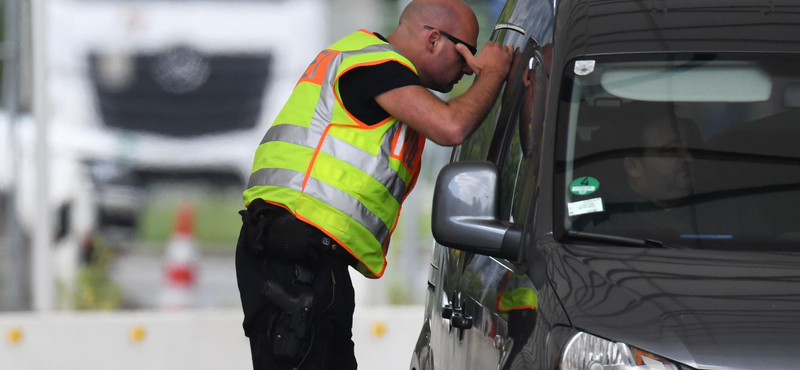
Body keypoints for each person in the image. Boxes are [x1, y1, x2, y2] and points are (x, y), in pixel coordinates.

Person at [235, 0, 514, 369]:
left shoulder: (373, 66)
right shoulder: (377, 65)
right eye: (466, 53)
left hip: (311, 259)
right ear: (433, 39)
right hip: (293, 256)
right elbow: (451, 126)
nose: (468, 68)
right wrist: (492, 74)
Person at [578, 102, 702, 239]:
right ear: (633, 167)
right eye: (671, 151)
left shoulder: (717, 200)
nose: (688, 158)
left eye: (686, 145)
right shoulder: (603, 221)